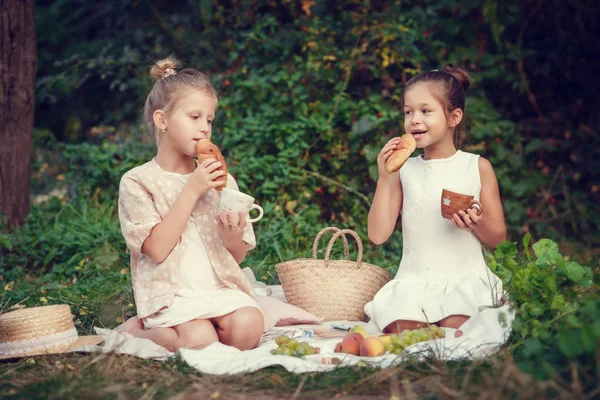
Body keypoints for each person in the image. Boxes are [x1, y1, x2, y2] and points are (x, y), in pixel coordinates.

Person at [116, 57, 264, 352]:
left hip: (218, 288)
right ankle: (134, 332)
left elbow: (236, 257)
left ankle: (204, 332)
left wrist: (232, 234)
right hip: (174, 295)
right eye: (194, 117)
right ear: (162, 121)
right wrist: (193, 189)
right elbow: (156, 250)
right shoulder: (138, 181)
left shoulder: (221, 179)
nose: (204, 128)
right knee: (201, 340)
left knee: (250, 327)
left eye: (209, 120)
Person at [365, 65, 507, 337]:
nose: (414, 120)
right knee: (402, 330)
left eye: (425, 111)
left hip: (464, 278)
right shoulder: (403, 170)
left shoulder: (477, 167)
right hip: (415, 280)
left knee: (459, 325)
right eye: (408, 112)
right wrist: (384, 179)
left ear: (454, 117)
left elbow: (498, 238)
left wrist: (475, 224)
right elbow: (378, 235)